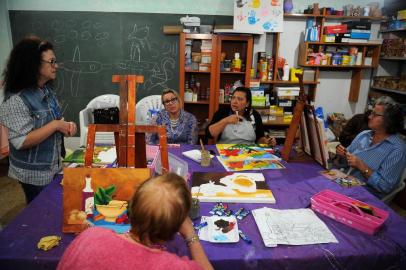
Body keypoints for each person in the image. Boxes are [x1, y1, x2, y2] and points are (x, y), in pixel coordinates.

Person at [57, 173, 213, 270]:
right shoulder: (172, 266)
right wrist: (191, 233)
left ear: (132, 206)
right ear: (173, 230)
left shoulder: (89, 236)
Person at [0, 36, 77, 204]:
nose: (55, 66)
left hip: (52, 166)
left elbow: (54, 123)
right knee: (41, 215)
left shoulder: (46, 92)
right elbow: (21, 141)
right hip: (34, 174)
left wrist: (66, 126)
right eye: (51, 62)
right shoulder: (16, 99)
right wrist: (56, 125)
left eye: (55, 61)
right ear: (33, 64)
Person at [336, 96, 406, 199]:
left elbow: (385, 187)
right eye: (371, 113)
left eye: (374, 114)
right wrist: (343, 155)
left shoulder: (397, 149)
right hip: (348, 182)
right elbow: (344, 163)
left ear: (388, 120)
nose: (369, 117)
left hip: (367, 195)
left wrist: (362, 167)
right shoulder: (364, 135)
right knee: (317, 186)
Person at [206, 87, 276, 146]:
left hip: (249, 153)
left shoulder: (255, 115)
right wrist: (226, 121)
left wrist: (266, 141)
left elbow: (260, 138)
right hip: (224, 151)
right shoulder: (223, 112)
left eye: (239, 99)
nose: (234, 102)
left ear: (247, 103)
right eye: (233, 98)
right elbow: (209, 134)